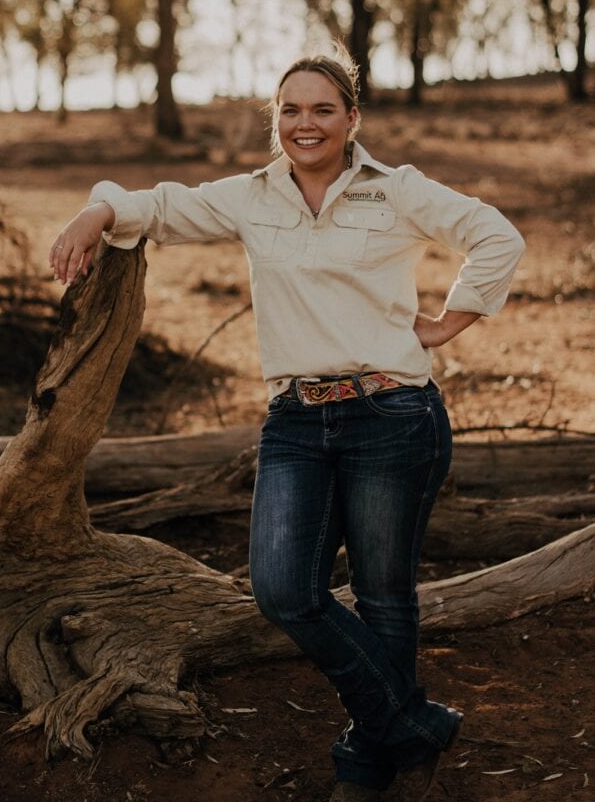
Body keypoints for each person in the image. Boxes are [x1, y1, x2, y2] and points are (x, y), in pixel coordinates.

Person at [49, 51, 525, 801]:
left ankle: (369, 763)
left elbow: (495, 235)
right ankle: (411, 728)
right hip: (296, 421)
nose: (305, 123)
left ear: (351, 118)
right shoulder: (251, 196)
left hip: (391, 414)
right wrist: (97, 208)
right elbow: (164, 206)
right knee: (281, 589)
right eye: (290, 110)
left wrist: (449, 323)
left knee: (382, 596)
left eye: (322, 109)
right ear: (275, 120)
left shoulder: (394, 191)